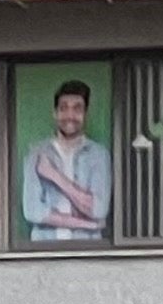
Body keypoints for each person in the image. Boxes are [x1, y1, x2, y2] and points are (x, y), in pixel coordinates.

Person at [24, 79, 112, 243]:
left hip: (87, 252)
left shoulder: (99, 155)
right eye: (64, 108)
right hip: (44, 252)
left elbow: (98, 210)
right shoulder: (36, 154)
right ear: (55, 113)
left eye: (77, 108)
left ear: (86, 113)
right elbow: (33, 211)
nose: (70, 115)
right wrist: (88, 225)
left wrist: (54, 175)